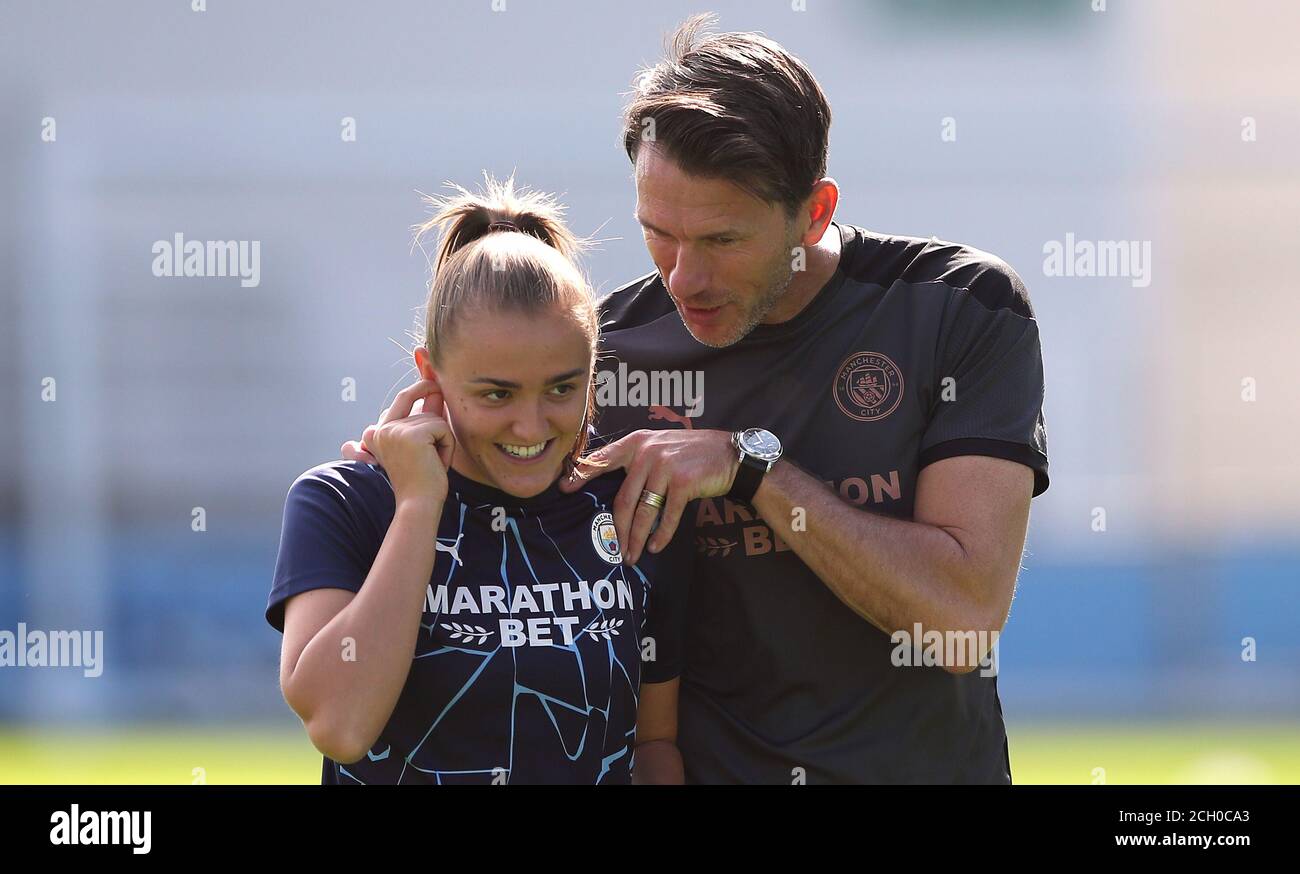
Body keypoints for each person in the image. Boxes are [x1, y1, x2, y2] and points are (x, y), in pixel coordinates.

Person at [347, 16, 1050, 784]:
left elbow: (961, 622)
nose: (683, 278)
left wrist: (751, 468)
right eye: (658, 234)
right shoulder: (596, 357)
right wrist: (401, 477)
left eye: (721, 241)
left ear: (813, 212)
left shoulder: (959, 307)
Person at [268, 175, 693, 784]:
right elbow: (340, 725)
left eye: (562, 388)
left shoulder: (631, 500)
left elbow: (652, 744)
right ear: (430, 374)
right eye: (496, 393)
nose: (531, 424)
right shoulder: (347, 501)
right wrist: (418, 505)